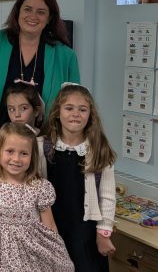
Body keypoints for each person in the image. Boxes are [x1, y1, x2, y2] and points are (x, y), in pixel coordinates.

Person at [0, 0, 80, 143]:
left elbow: (76, 102)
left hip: (43, 145)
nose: (33, 16)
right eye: (27, 9)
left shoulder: (65, 55)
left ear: (49, 18)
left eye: (41, 12)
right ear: (18, 12)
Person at [0, 123, 74, 271]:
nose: (16, 159)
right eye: (10, 151)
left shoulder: (39, 188)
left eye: (24, 153)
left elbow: (49, 225)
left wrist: (57, 253)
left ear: (32, 156)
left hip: (28, 253)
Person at [39, 83, 116, 271]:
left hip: (85, 232)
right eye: (69, 108)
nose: (76, 114)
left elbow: (107, 196)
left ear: (90, 114)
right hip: (51, 226)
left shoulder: (99, 149)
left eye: (82, 109)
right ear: (57, 112)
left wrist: (104, 233)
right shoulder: (41, 146)